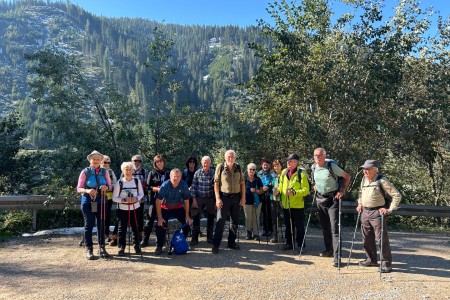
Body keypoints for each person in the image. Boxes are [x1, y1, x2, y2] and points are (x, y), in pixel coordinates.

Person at [356, 159, 401, 273]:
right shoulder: (364, 179)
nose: (365, 171)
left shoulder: (382, 180)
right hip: (364, 212)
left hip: (377, 213)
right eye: (364, 169)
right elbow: (360, 193)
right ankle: (371, 260)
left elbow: (396, 195)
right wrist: (359, 204)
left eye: (368, 169)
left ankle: (386, 264)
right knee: (366, 238)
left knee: (381, 239)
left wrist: (389, 209)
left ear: (375, 170)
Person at [312, 147, 351, 267]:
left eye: (320, 155)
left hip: (333, 198)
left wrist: (342, 191)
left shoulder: (331, 166)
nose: (317, 157)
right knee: (324, 227)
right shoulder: (313, 168)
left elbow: (347, 176)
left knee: (335, 229)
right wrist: (315, 186)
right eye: (315, 155)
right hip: (320, 198)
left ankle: (337, 257)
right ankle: (329, 250)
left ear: (325, 156)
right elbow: (315, 181)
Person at [77, 150, 112, 260]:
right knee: (89, 225)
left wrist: (106, 187)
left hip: (101, 201)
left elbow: (110, 186)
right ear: (90, 160)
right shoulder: (85, 172)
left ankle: (102, 248)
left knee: (101, 225)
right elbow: (79, 188)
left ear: (101, 160)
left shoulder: (104, 172)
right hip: (88, 202)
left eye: (98, 159)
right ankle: (89, 249)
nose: (96, 161)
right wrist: (87, 191)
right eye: (94, 159)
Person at [274, 154, 309, 252]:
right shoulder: (284, 172)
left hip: (297, 205)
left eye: (291, 161)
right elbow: (281, 185)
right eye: (288, 161)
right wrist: (278, 191)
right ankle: (289, 243)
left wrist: (294, 193)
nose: (288, 162)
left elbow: (306, 190)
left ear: (296, 162)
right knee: (288, 225)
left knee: (299, 226)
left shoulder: (301, 173)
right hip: (286, 204)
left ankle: (301, 245)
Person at [212, 150, 245, 254]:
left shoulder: (238, 167)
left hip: (236, 197)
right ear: (225, 158)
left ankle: (231, 242)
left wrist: (243, 197)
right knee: (220, 221)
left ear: (235, 157)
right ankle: (216, 245)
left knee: (234, 221)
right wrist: (217, 198)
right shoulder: (220, 167)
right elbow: (216, 183)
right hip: (224, 197)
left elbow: (242, 183)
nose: (230, 158)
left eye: (232, 157)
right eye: (228, 157)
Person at [154, 168, 192, 255]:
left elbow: (186, 200)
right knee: (160, 225)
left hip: (178, 207)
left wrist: (187, 215)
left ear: (181, 177)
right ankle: (159, 246)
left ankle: (181, 242)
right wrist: (160, 217)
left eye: (178, 176)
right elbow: (158, 201)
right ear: (170, 176)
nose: (176, 178)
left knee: (187, 223)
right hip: (165, 208)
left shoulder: (183, 185)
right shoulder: (165, 185)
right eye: (174, 176)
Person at [112, 162, 144, 255]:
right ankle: (121, 247)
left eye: (130, 169)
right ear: (123, 170)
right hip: (122, 209)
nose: (128, 171)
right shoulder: (119, 183)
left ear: (133, 170)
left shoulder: (137, 181)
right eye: (126, 169)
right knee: (122, 228)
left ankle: (137, 246)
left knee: (136, 227)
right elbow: (114, 198)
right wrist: (124, 199)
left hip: (135, 207)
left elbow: (141, 194)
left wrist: (136, 198)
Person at [141, 155, 170, 247]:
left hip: (165, 200)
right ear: (155, 163)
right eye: (157, 161)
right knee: (150, 220)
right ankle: (145, 239)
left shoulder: (168, 172)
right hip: (154, 199)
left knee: (162, 220)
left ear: (164, 162)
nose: (159, 163)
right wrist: (155, 188)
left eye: (161, 161)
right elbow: (148, 186)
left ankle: (161, 240)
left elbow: (173, 184)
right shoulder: (152, 172)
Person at [190, 156, 216, 245]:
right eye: (204, 162)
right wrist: (194, 200)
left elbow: (216, 187)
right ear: (202, 163)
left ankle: (210, 238)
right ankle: (194, 239)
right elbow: (193, 186)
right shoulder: (197, 173)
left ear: (210, 163)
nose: (206, 164)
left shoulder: (213, 173)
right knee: (196, 218)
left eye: (207, 162)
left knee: (211, 218)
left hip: (210, 198)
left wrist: (216, 200)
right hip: (199, 198)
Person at [244, 163, 263, 241]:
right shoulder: (244, 179)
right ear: (247, 169)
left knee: (256, 218)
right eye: (250, 169)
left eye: (253, 169)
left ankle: (256, 234)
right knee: (248, 218)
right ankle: (248, 233)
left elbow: (261, 190)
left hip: (257, 202)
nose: (251, 171)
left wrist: (256, 191)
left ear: (255, 170)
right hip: (246, 202)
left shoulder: (258, 179)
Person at [131, 155, 148, 240]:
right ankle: (117, 237)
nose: (137, 163)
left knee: (139, 216)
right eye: (135, 161)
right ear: (131, 161)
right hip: (128, 199)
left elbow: (148, 185)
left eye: (139, 161)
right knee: (126, 217)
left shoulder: (145, 172)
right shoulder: (127, 170)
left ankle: (139, 235)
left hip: (140, 198)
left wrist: (143, 184)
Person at [101, 155, 117, 243]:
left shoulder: (110, 172)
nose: (107, 164)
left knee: (107, 216)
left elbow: (115, 182)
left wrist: (110, 187)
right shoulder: (96, 171)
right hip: (98, 197)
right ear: (100, 162)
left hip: (108, 197)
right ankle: (99, 235)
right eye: (105, 162)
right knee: (98, 216)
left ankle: (106, 234)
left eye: (108, 162)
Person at [257, 159, 273, 238]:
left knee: (270, 212)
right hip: (261, 195)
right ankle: (265, 230)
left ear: (269, 166)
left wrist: (268, 187)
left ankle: (270, 230)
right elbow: (256, 183)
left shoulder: (272, 174)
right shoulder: (259, 174)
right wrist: (261, 189)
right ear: (262, 165)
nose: (265, 166)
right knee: (263, 213)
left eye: (267, 165)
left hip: (270, 195)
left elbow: (274, 183)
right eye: (264, 165)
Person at [270, 159, 283, 243]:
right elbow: (271, 186)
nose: (276, 167)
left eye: (277, 165)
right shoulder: (273, 176)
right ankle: (275, 236)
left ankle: (290, 237)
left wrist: (279, 191)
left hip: (282, 200)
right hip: (273, 200)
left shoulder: (285, 175)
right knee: (274, 219)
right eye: (274, 166)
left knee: (284, 218)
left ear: (281, 166)